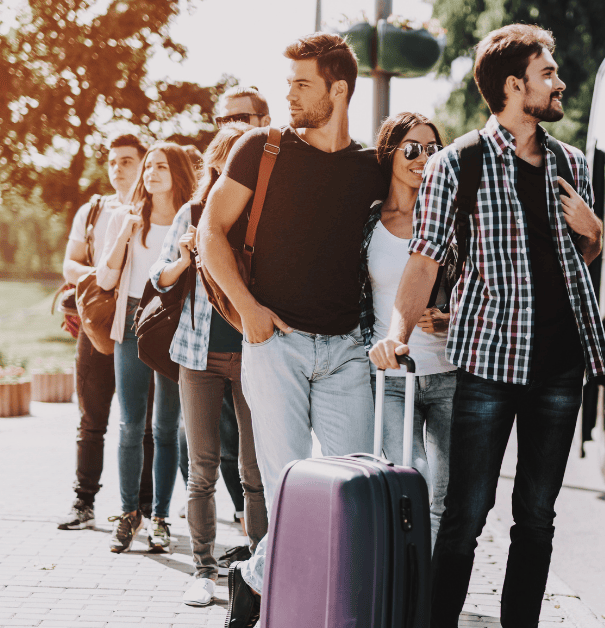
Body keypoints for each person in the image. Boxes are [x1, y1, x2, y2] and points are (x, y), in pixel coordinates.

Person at [369, 24, 605, 628]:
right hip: (489, 367)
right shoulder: (457, 163)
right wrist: (398, 333)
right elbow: (423, 260)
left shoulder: (571, 163)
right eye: (548, 73)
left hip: (560, 367)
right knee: (465, 516)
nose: (560, 83)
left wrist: (594, 233)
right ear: (513, 86)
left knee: (537, 518)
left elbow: (576, 258)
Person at [197, 33, 387, 628]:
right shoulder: (261, 149)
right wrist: (249, 309)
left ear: (339, 89)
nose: (290, 96)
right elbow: (209, 232)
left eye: (302, 84)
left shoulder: (370, 169)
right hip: (275, 345)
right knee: (287, 497)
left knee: (352, 495)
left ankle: (253, 577)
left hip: (346, 353)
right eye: (289, 84)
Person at [150, 124, 268, 607]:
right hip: (198, 356)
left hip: (254, 354)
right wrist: (183, 258)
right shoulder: (193, 213)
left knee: (254, 471)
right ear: (217, 163)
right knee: (201, 469)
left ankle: (260, 571)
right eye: (228, 157)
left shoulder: (266, 213)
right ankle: (203, 569)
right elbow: (159, 278)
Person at [96, 142, 197, 554]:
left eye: (161, 167)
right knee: (130, 424)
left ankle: (160, 517)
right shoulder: (127, 217)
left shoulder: (191, 218)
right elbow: (105, 280)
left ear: (178, 173)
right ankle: (128, 514)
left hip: (171, 323)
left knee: (166, 427)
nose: (151, 173)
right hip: (132, 317)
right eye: (149, 166)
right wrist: (124, 233)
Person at [363, 112, 455, 550]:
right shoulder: (367, 223)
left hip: (449, 372)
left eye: (433, 149)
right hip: (392, 377)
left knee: (444, 495)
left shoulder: (453, 220)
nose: (424, 158)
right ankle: (408, 573)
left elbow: (483, 285)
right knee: (411, 477)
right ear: (390, 153)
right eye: (412, 149)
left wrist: (452, 317)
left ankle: (427, 586)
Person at [57, 134, 159, 531]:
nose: (117, 168)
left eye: (127, 161)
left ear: (144, 163)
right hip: (98, 327)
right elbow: (70, 265)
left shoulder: (161, 209)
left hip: (143, 327)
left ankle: (147, 511)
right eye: (113, 161)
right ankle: (83, 503)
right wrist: (106, 279)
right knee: (92, 418)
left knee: (146, 424)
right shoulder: (94, 210)